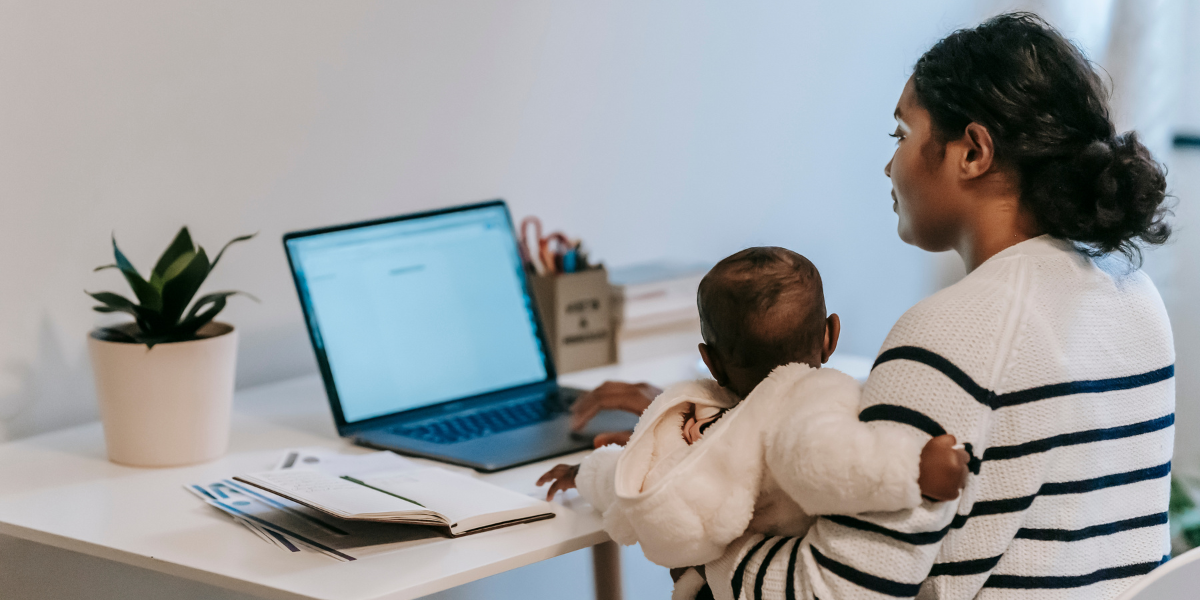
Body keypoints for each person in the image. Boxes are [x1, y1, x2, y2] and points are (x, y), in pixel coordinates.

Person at [566, 12, 1175, 599]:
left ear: (972, 152)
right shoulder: (1131, 297)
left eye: (902, 134)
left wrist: (690, 511)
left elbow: (825, 592)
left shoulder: (952, 332)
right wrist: (724, 431)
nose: (889, 164)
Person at [540, 247, 970, 599]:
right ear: (831, 336)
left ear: (711, 363)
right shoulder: (815, 399)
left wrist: (586, 473)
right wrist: (915, 468)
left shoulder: (701, 427)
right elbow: (829, 465)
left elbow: (638, 477)